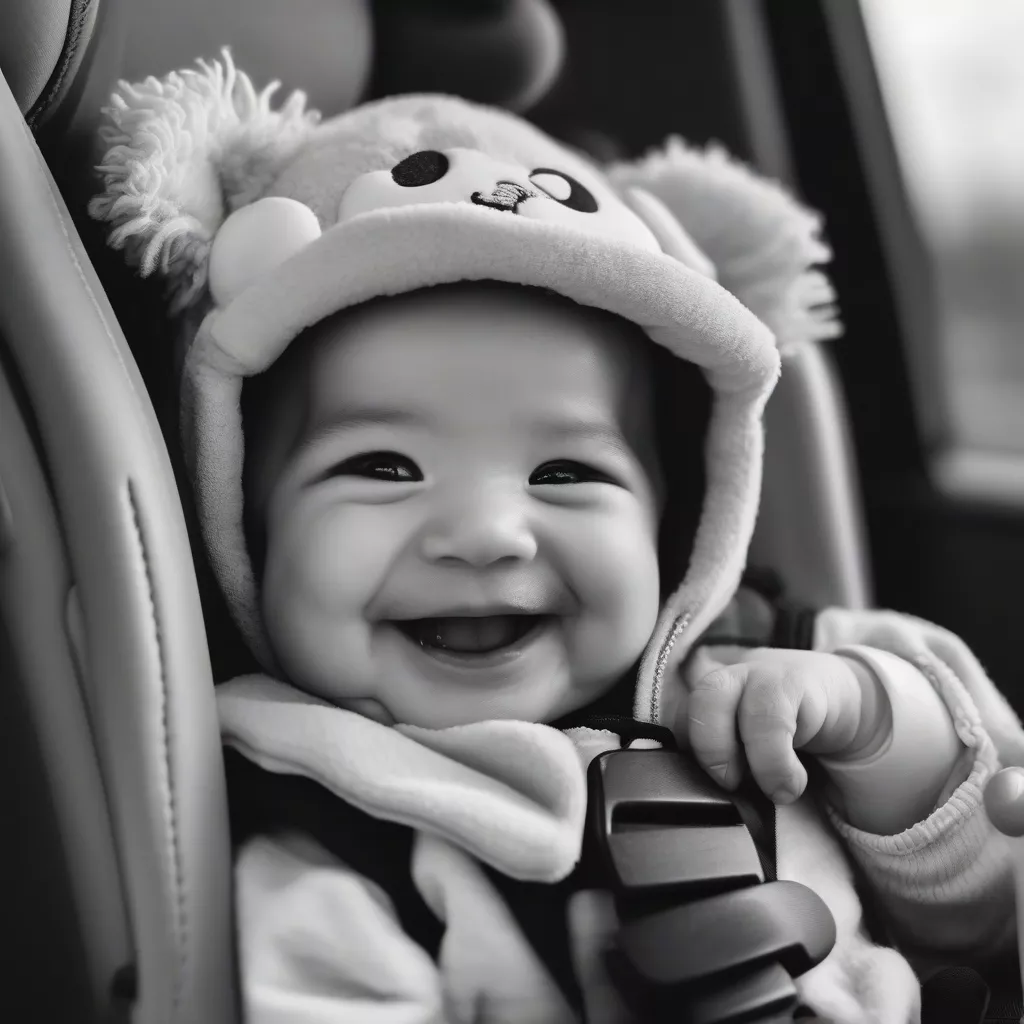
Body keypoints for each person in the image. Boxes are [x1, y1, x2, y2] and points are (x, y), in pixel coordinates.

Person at [89, 53, 1022, 1023]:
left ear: (675, 514)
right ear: (249, 523)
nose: (488, 534)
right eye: (383, 467)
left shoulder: (781, 676)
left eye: (567, 474)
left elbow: (989, 905)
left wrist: (879, 727)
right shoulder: (323, 843)